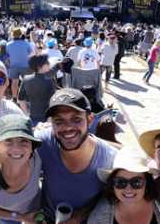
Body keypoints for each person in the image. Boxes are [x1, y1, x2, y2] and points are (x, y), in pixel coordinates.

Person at [36, 88, 117, 223]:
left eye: (76, 119)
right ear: (51, 124)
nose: (68, 127)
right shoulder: (43, 143)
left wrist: (80, 215)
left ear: (90, 120)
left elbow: (110, 195)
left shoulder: (109, 159)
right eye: (59, 121)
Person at [0, 114, 43, 224]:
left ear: (32, 147)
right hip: (8, 218)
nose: (17, 148)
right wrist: (20, 217)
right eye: (8, 140)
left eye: (23, 140)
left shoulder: (36, 159)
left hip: (36, 212)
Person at [87, 147, 160, 224]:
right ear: (112, 184)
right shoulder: (99, 216)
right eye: (121, 182)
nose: (128, 189)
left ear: (147, 182)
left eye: (136, 182)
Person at [18, 54, 58, 126]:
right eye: (47, 63)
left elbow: (20, 99)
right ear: (40, 67)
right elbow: (54, 101)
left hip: (32, 117)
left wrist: (27, 114)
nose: (49, 64)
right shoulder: (49, 80)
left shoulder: (26, 79)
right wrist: (50, 119)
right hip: (47, 119)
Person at [7, 28, 34, 100]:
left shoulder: (8, 44)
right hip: (25, 66)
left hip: (13, 66)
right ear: (20, 35)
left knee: (14, 82)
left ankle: (14, 98)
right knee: (26, 82)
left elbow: (7, 56)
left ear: (13, 35)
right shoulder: (26, 43)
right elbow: (32, 54)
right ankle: (27, 97)